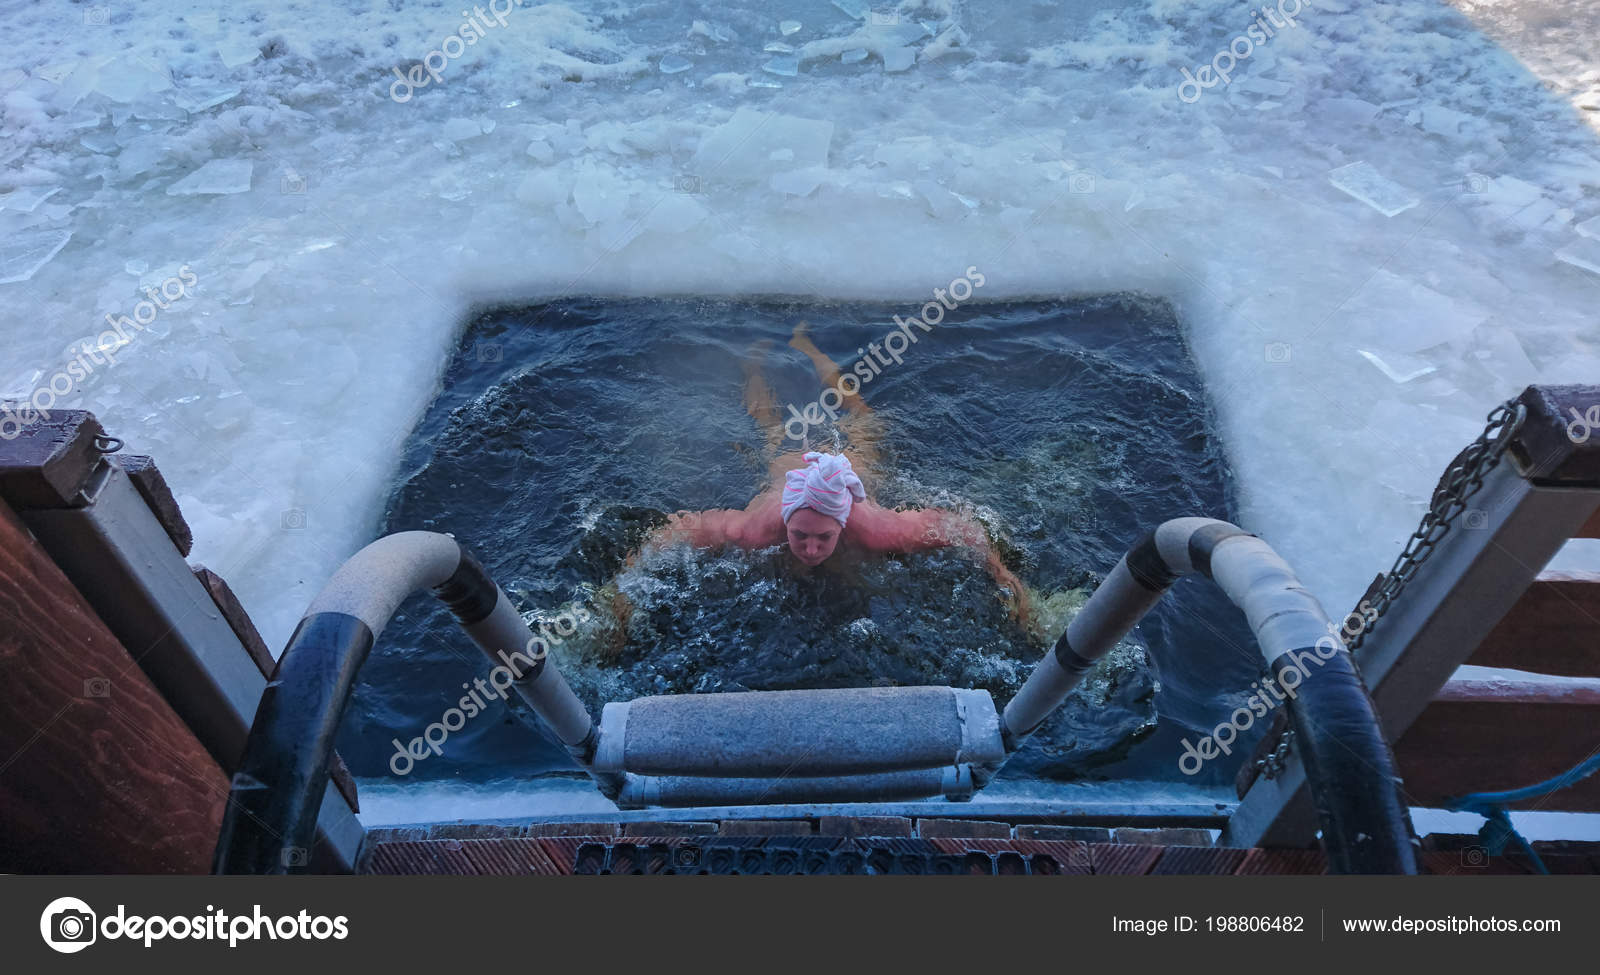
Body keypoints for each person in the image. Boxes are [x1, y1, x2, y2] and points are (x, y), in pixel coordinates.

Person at [606, 322, 1035, 647]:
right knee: (766, 421)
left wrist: (1009, 583)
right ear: (786, 522)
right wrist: (619, 602)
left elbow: (964, 529)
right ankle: (752, 365)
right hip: (788, 463)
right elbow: (668, 535)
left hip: (854, 463)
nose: (810, 548)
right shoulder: (755, 528)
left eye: (823, 536)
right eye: (801, 535)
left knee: (862, 416)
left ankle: (807, 346)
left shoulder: (880, 528)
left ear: (843, 522)